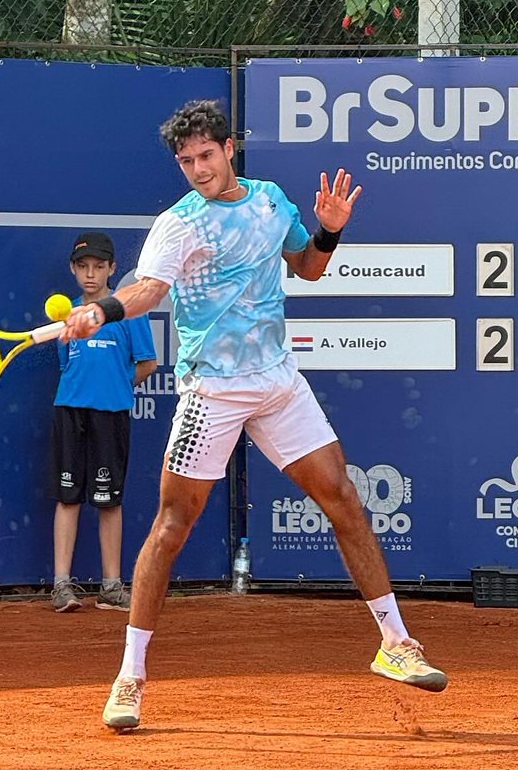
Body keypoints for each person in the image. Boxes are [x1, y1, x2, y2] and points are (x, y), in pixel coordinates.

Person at [58, 101, 447, 729]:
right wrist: (102, 310)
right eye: (185, 161)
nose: (197, 169)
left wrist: (329, 230)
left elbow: (310, 268)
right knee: (173, 526)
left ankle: (395, 643)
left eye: (205, 156)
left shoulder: (269, 201)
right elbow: (150, 290)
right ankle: (130, 676)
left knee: (343, 497)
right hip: (212, 390)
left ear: (229, 147)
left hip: (277, 382)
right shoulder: (178, 224)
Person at [49, 231, 157, 613]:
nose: (90, 275)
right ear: (73, 270)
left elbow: (148, 363)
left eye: (98, 267)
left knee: (109, 501)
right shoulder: (67, 317)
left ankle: (111, 586)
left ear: (112, 268)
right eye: (83, 267)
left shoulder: (130, 313)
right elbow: (67, 367)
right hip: (70, 411)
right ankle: (62, 585)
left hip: (111, 415)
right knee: (68, 497)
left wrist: (115, 386)